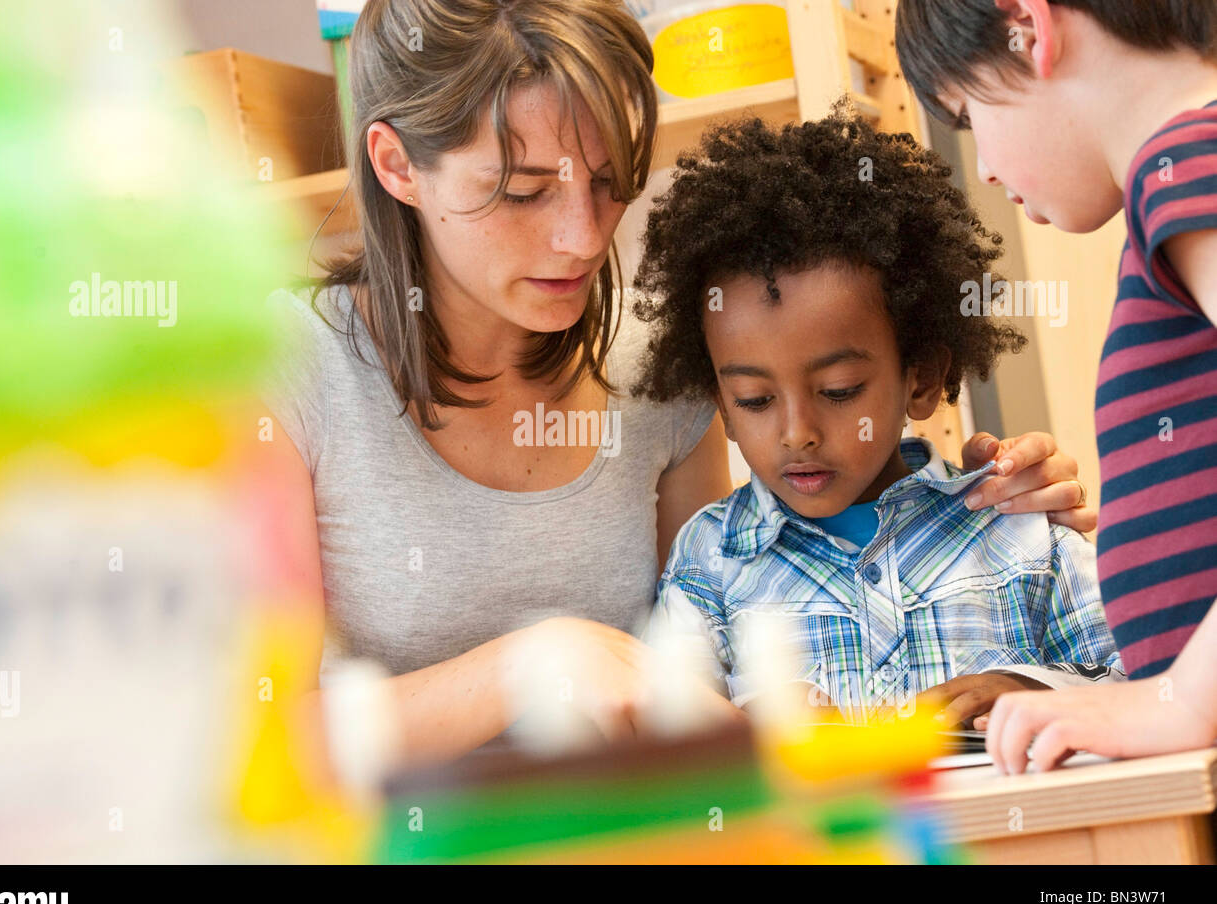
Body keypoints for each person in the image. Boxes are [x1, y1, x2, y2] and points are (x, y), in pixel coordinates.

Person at [260, 0, 1095, 768]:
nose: (583, 238)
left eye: (608, 178)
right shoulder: (279, 370)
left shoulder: (659, 371)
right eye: (522, 191)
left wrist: (991, 509)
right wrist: (530, 665)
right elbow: (241, 747)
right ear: (397, 165)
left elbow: (733, 631)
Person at [637, 111, 1121, 725]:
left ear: (919, 379)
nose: (796, 432)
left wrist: (1036, 691)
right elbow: (660, 739)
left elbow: (1145, 683)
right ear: (722, 407)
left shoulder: (1018, 522)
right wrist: (743, 736)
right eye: (755, 400)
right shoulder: (710, 561)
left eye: (838, 390)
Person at [895, 0, 1217, 771]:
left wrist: (1177, 701)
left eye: (968, 117)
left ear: (1030, 29)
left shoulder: (1190, 166)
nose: (985, 170)